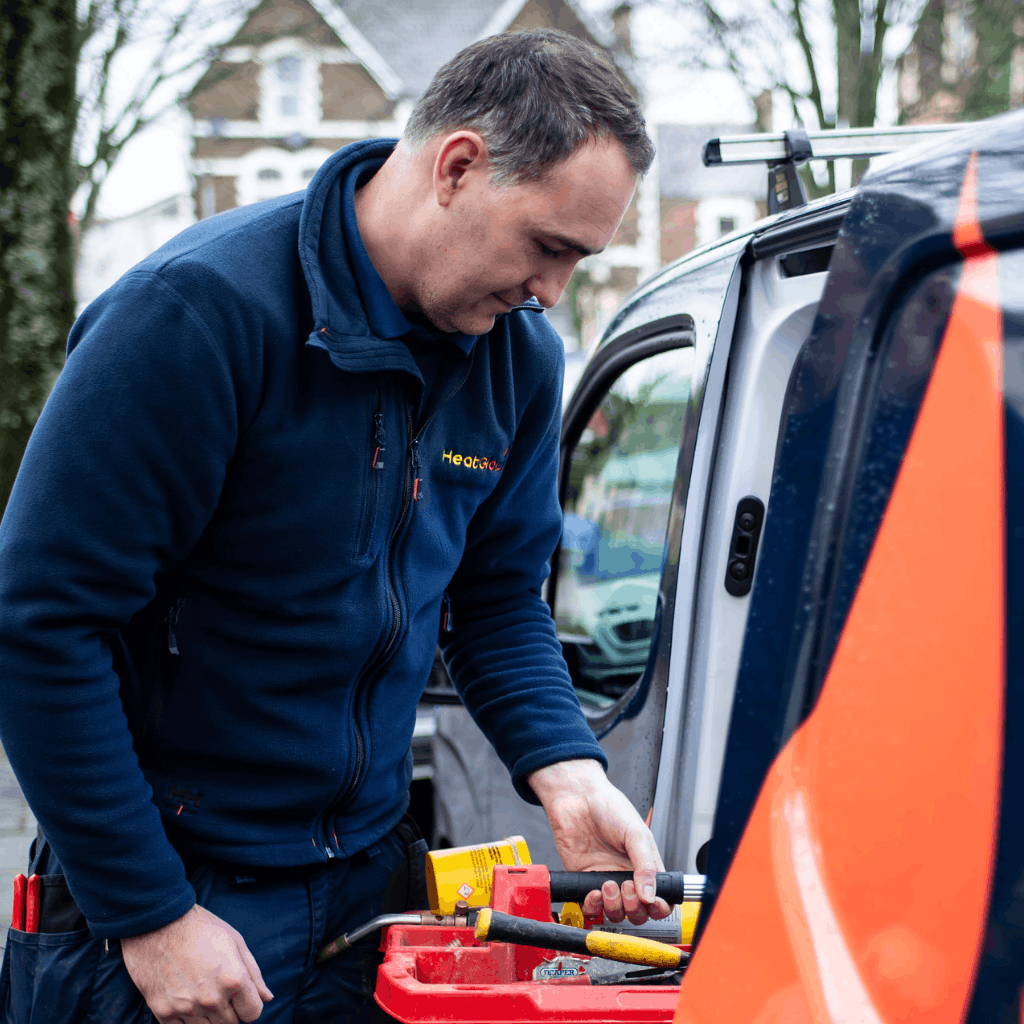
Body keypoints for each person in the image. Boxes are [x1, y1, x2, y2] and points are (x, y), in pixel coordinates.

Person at [0, 28, 667, 1024]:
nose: (551, 291)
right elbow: (40, 620)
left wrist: (565, 768)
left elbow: (493, 599)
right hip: (174, 895)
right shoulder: (196, 317)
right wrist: (148, 912)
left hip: (367, 893)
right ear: (457, 167)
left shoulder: (516, 358)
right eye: (547, 246)